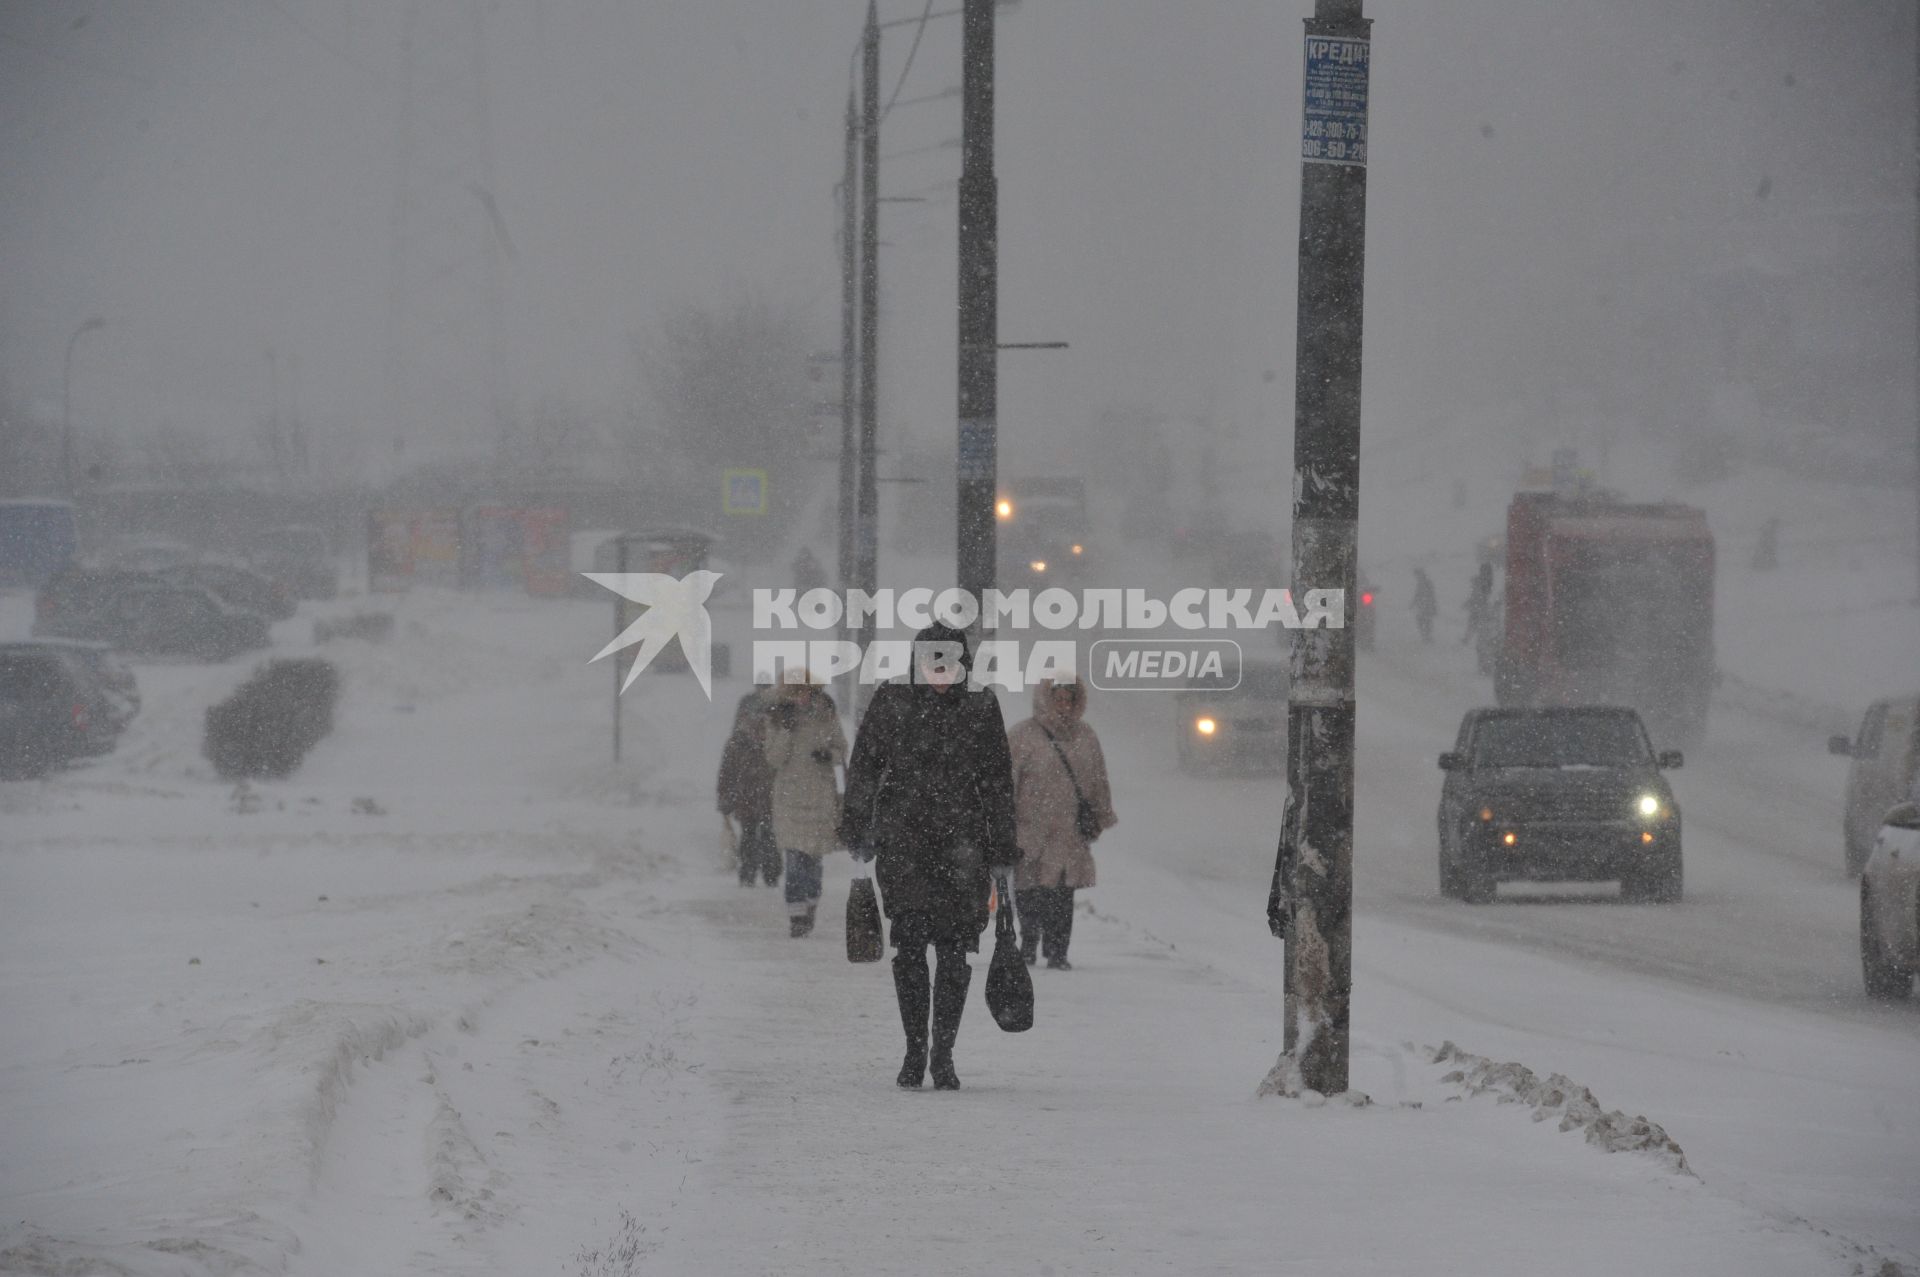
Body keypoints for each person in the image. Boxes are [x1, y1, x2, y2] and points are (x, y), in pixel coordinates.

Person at [840, 622, 1019, 1090]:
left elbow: (998, 783)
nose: (939, 672)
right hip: (906, 846)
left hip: (963, 848)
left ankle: (943, 1052)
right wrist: (857, 824)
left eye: (948, 662)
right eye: (931, 662)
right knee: (911, 946)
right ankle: (916, 1049)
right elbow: (865, 767)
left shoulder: (980, 706)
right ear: (917, 664)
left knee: (955, 950)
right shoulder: (893, 702)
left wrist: (1001, 848)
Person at [1008, 678, 1116, 970]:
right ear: (1046, 699)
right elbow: (1007, 783)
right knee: (1028, 889)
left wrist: (1100, 815)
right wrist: (1003, 819)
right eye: (1058, 699)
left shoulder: (1085, 737)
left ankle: (1058, 951)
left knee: (1061, 892)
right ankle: (1028, 944)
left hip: (1068, 830)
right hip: (1029, 828)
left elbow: (1098, 781)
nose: (1064, 706)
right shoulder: (1022, 736)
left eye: (1069, 699)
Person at [763, 676, 848, 937]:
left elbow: (841, 748)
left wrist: (829, 755)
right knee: (795, 859)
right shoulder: (777, 719)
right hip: (789, 798)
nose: (800, 697)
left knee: (813, 860)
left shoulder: (826, 715)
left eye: (805, 691)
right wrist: (786, 732)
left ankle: (810, 905)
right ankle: (796, 915)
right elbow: (774, 759)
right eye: (794, 692)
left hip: (820, 796)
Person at [716, 690, 779, 887]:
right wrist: (725, 796)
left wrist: (726, 796)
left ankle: (761, 873)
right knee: (754, 834)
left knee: (762, 834)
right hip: (753, 797)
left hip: (760, 797)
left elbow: (726, 773)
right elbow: (727, 772)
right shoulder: (740, 742)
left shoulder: (741, 741)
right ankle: (758, 873)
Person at [1463, 561, 1494, 647]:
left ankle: (1469, 639)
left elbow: (1478, 595)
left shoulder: (1483, 582)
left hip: (1480, 607)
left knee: (1475, 623)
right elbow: (1477, 595)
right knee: (1478, 624)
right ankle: (1469, 639)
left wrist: (1470, 602)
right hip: (1481, 607)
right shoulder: (1487, 582)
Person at [1412, 568, 1438, 645]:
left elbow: (1431, 595)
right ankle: (1426, 636)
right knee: (1423, 620)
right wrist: (1413, 603)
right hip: (1423, 605)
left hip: (1426, 605)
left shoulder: (1426, 583)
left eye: (1417, 575)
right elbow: (1417, 594)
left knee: (1424, 621)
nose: (1416, 577)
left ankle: (1427, 636)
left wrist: (1433, 605)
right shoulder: (1421, 583)